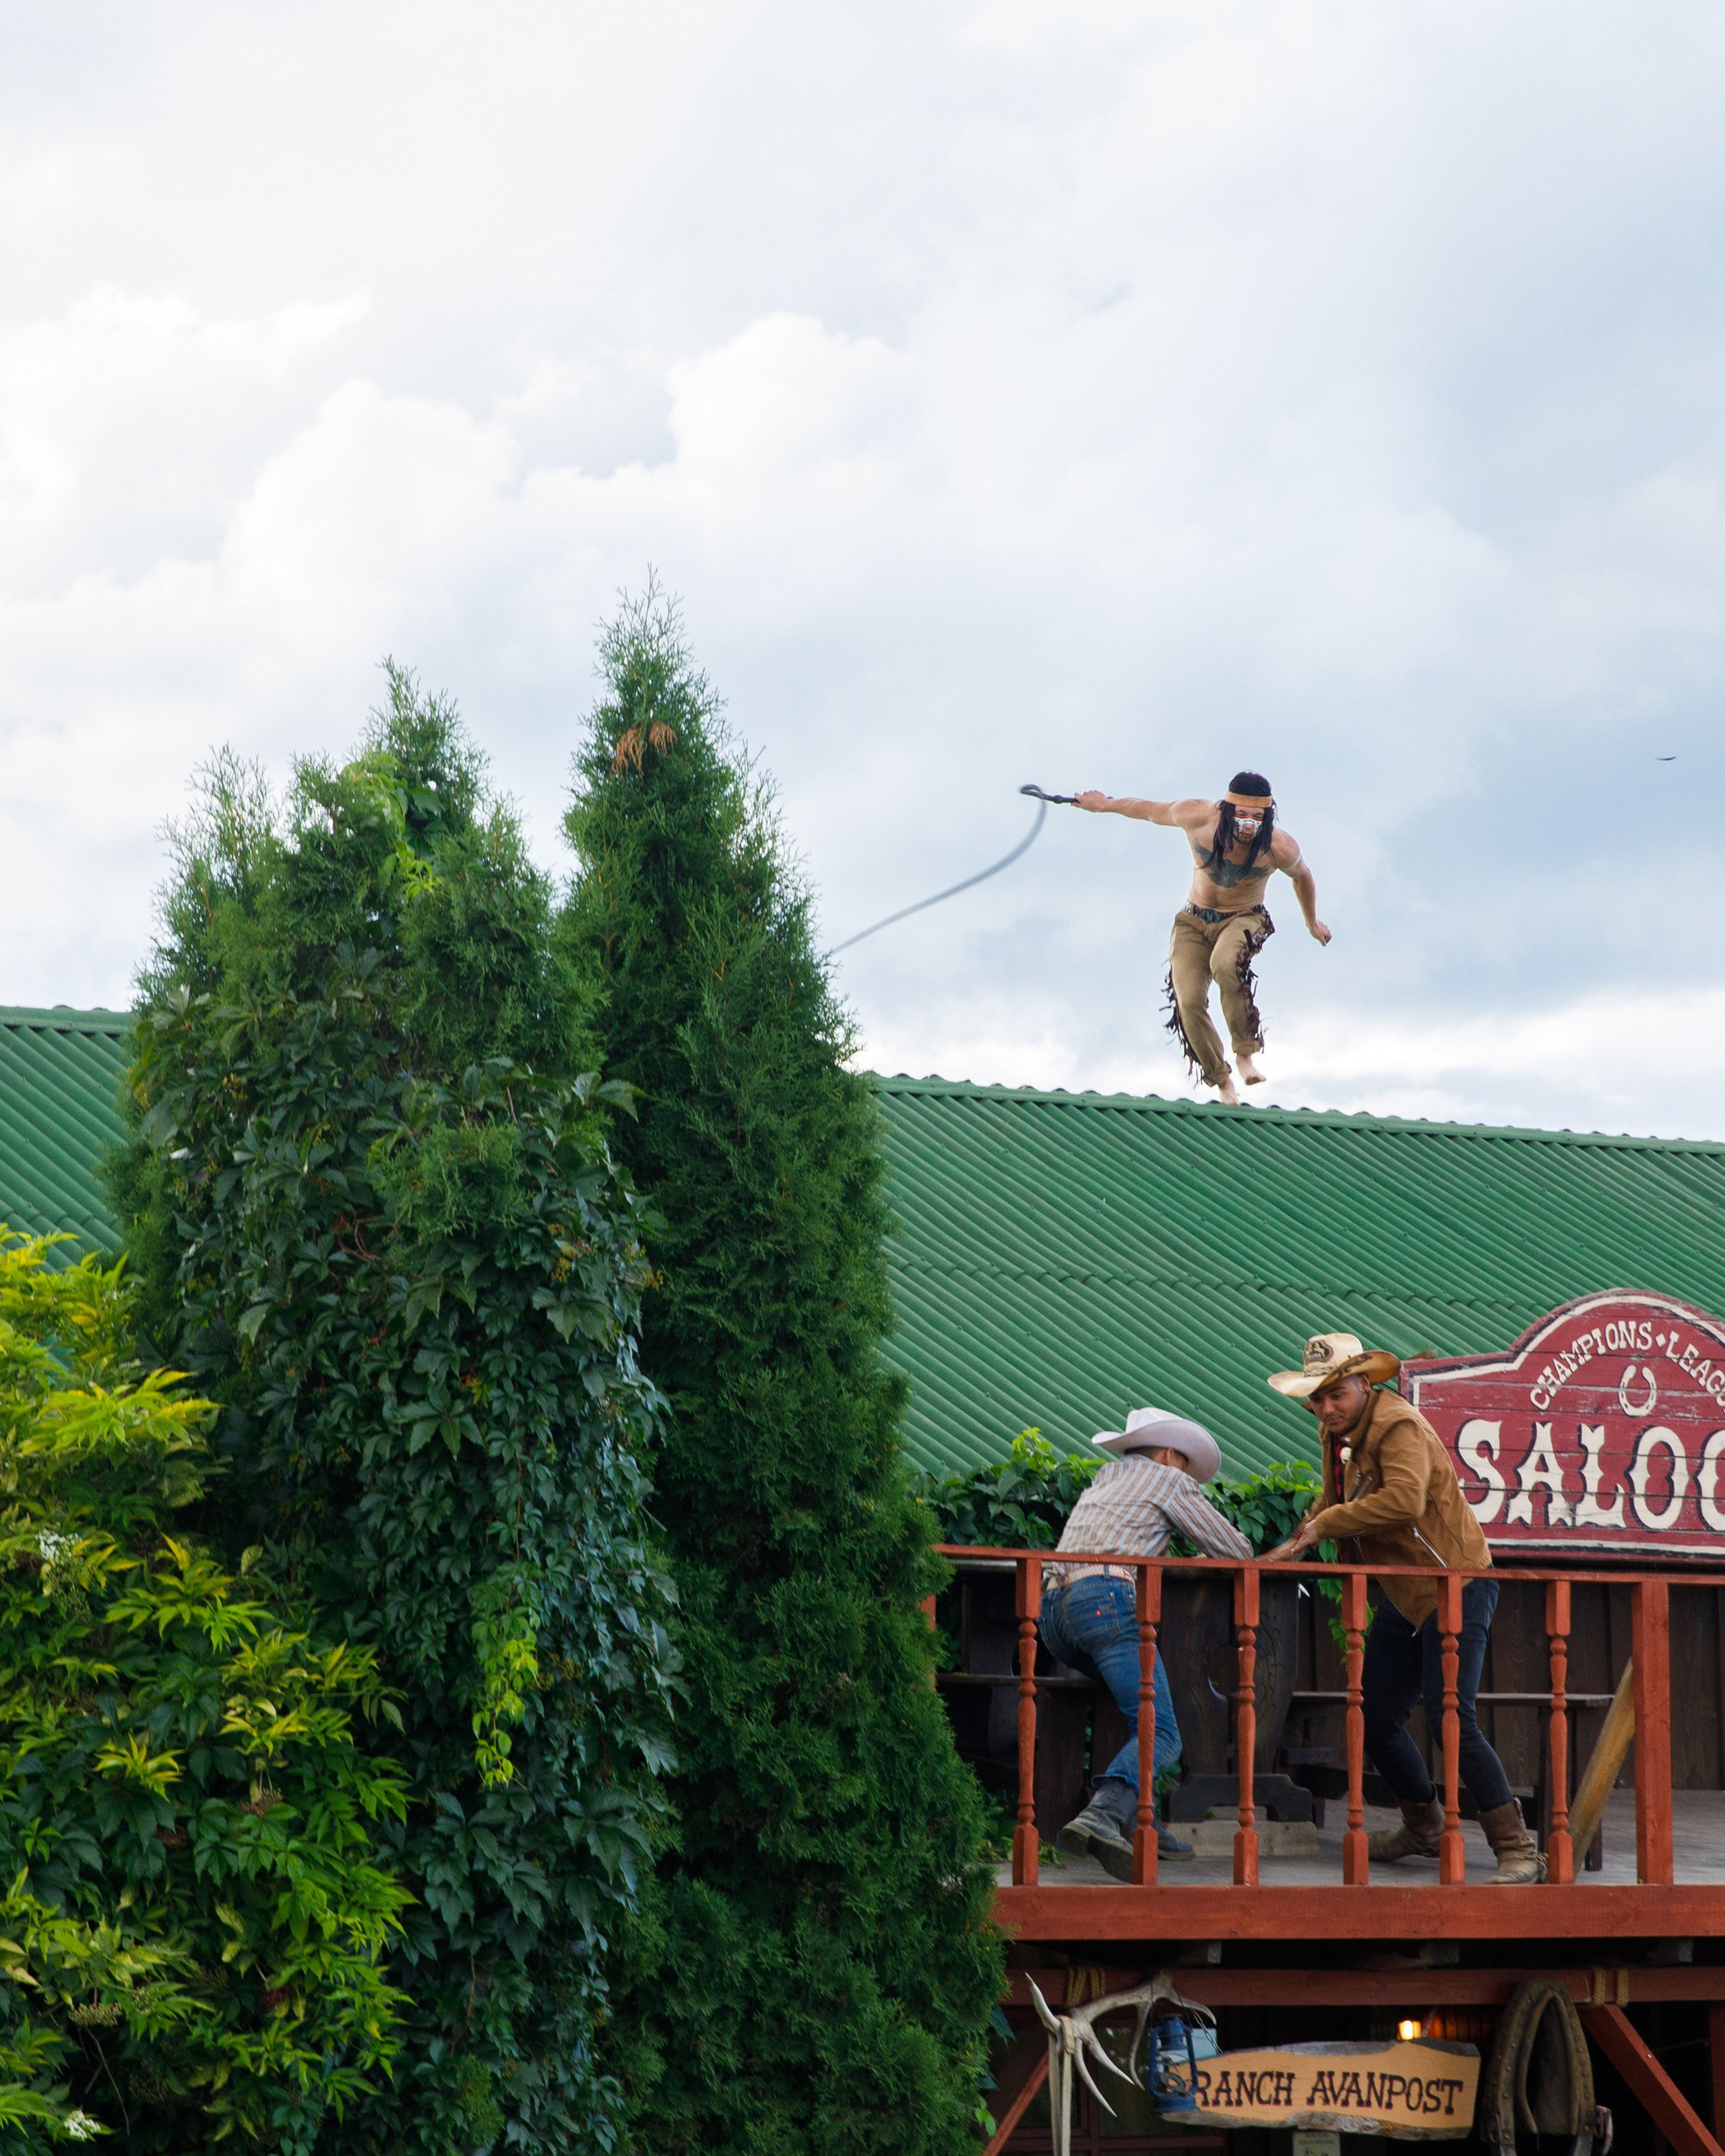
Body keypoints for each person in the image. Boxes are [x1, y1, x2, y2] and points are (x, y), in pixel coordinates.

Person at [1263, 1331, 1545, 1886]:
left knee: (1450, 1719)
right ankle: (1424, 1827)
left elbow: (1405, 1500)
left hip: (1455, 1583)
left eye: (1336, 1394)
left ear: (1363, 1385)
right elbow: (1336, 1499)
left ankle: (1518, 1849)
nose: (1326, 1408)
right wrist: (1301, 1534)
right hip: (1405, 1592)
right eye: (1317, 1398)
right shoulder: (1335, 1432)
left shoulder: (1398, 1425)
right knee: (1373, 1717)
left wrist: (1326, 1525)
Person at [1041, 1405, 1253, 1877]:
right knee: (1162, 1731)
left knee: (1144, 1711)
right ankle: (1102, 1814)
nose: (1188, 1476)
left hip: (1054, 1616)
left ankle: (1145, 1826)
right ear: (1170, 1455)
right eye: (1186, 1465)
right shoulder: (1168, 1480)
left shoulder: (1106, 1478)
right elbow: (1237, 1551)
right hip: (1106, 1604)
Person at [1073, 771, 1330, 1106]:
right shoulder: (1196, 816)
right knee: (1189, 1000)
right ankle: (1222, 1080)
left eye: (1257, 817)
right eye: (1242, 814)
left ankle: (1245, 1054)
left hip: (1244, 917)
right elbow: (1145, 809)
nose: (1248, 824)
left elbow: (1303, 877)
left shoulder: (1279, 847)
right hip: (1193, 921)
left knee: (1226, 964)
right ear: (1227, 809)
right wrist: (1103, 805)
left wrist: (1312, 923)